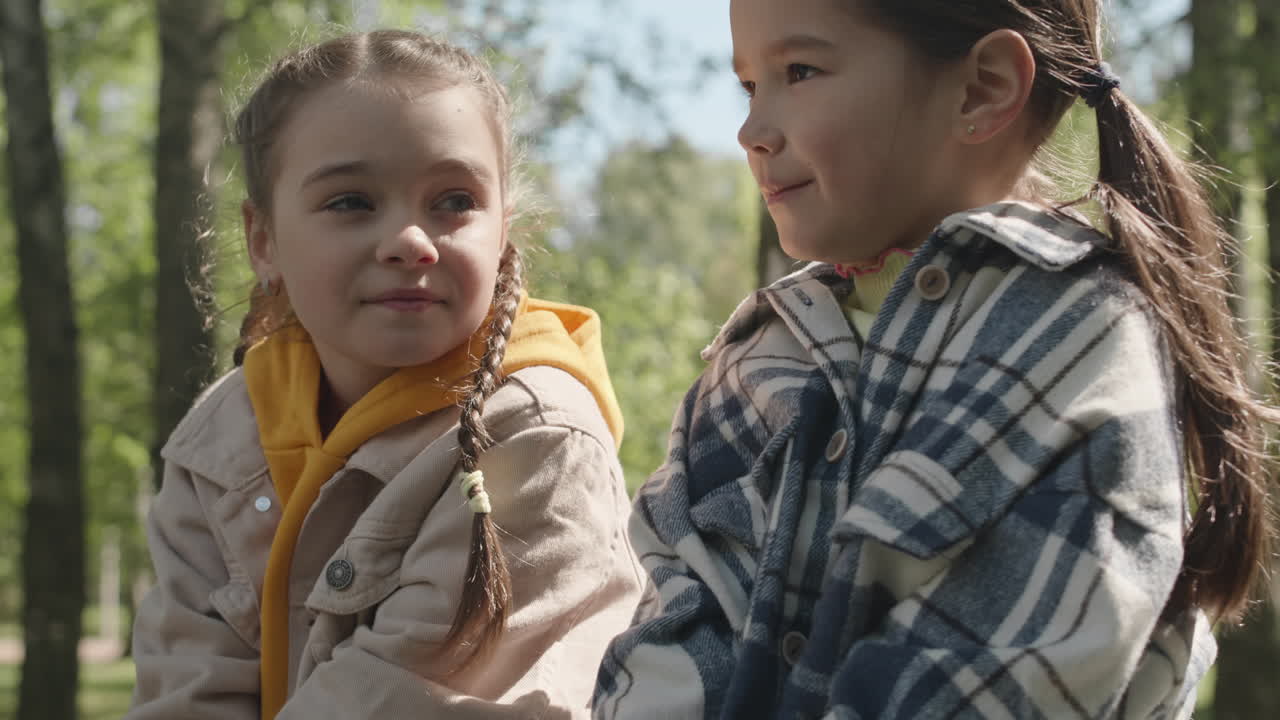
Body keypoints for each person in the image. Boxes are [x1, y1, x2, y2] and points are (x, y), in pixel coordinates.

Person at [594, 1, 1278, 718]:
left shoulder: (1076, 347)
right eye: (749, 86)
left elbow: (998, 688)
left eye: (799, 71)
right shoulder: (753, 360)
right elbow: (670, 638)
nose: (751, 132)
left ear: (982, 89)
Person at [127, 29, 643, 720]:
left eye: (454, 201)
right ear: (263, 240)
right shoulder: (221, 441)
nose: (409, 241)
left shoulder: (533, 438)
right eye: (351, 202)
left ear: (502, 231)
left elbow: (405, 701)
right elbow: (183, 691)